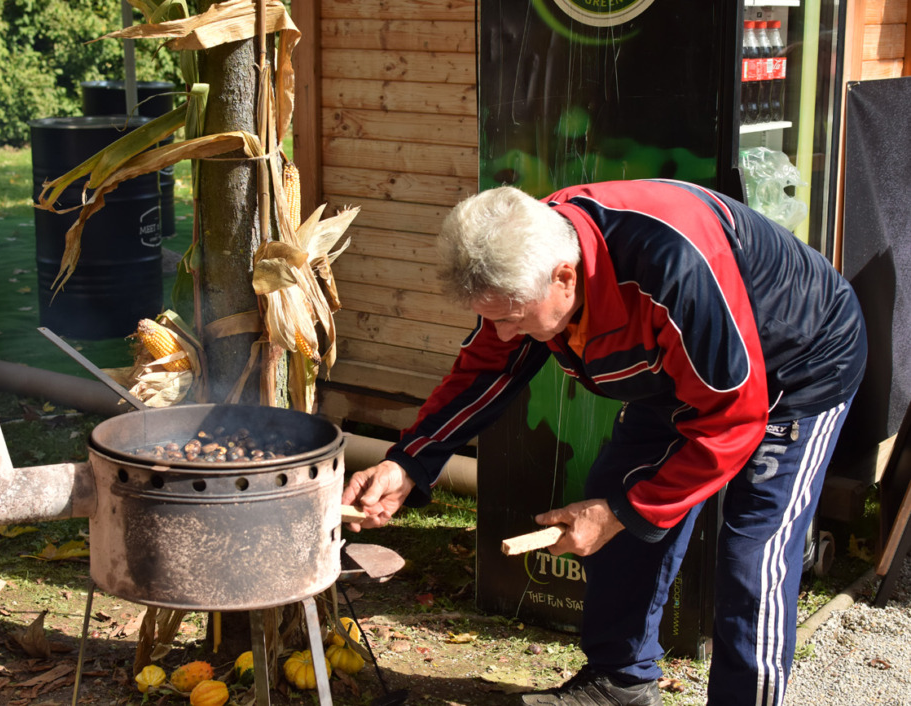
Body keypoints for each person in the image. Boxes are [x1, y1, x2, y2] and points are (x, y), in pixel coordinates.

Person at [341, 179, 867, 706]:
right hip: (681, 372)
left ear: (565, 278)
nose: (502, 334)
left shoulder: (673, 265)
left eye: (510, 319)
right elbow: (486, 370)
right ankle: (621, 684)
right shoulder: (524, 253)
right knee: (612, 495)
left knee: (752, 555)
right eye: (492, 318)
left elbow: (733, 417)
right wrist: (406, 463)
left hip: (794, 368)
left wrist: (624, 512)